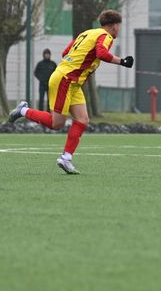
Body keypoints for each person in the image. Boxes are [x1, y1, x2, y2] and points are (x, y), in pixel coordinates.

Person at [8, 10, 134, 174]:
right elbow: (101, 53)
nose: (119, 29)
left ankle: (66, 158)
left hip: (73, 82)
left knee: (82, 120)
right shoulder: (105, 36)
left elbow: (65, 52)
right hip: (65, 79)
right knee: (56, 123)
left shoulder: (87, 33)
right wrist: (122, 61)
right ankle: (23, 110)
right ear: (114, 25)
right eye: (119, 26)